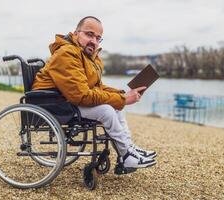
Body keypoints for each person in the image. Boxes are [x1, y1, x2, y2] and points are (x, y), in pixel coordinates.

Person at [32, 16, 157, 170]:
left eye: (98, 38)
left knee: (116, 107)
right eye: (89, 34)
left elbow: (96, 87)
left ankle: (129, 149)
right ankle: (126, 155)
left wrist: (122, 94)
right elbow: (82, 95)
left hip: (66, 99)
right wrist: (122, 99)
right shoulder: (67, 53)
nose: (94, 41)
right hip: (54, 103)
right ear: (76, 33)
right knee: (106, 110)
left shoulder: (87, 56)